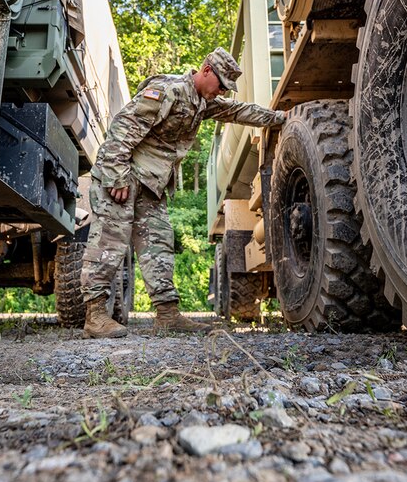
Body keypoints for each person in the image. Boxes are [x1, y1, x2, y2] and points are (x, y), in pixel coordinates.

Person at [81, 47, 287, 338]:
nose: (222, 92)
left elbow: (240, 111)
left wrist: (279, 118)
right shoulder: (168, 91)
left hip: (151, 184)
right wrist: (116, 177)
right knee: (109, 244)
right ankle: (95, 316)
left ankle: (167, 314)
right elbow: (122, 129)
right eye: (221, 85)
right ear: (205, 71)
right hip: (123, 176)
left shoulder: (203, 102)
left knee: (159, 245)